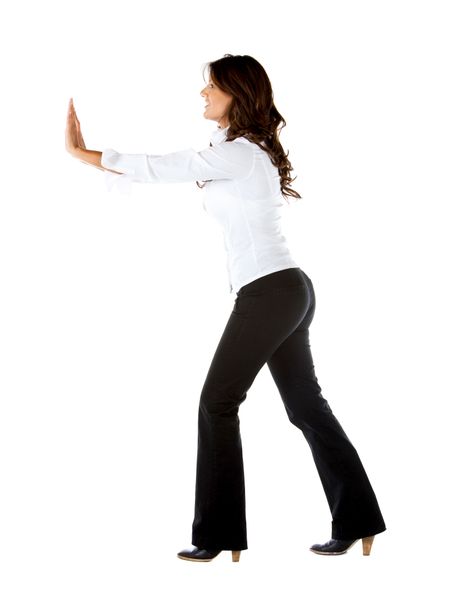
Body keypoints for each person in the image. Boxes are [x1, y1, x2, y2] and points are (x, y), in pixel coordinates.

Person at [65, 53, 387, 563]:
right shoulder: (237, 151)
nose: (202, 94)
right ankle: (359, 520)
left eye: (210, 86)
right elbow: (178, 167)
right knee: (305, 407)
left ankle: (217, 534)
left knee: (217, 402)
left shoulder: (240, 152)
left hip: (271, 292)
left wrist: (83, 153)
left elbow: (166, 166)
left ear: (237, 91)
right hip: (283, 289)